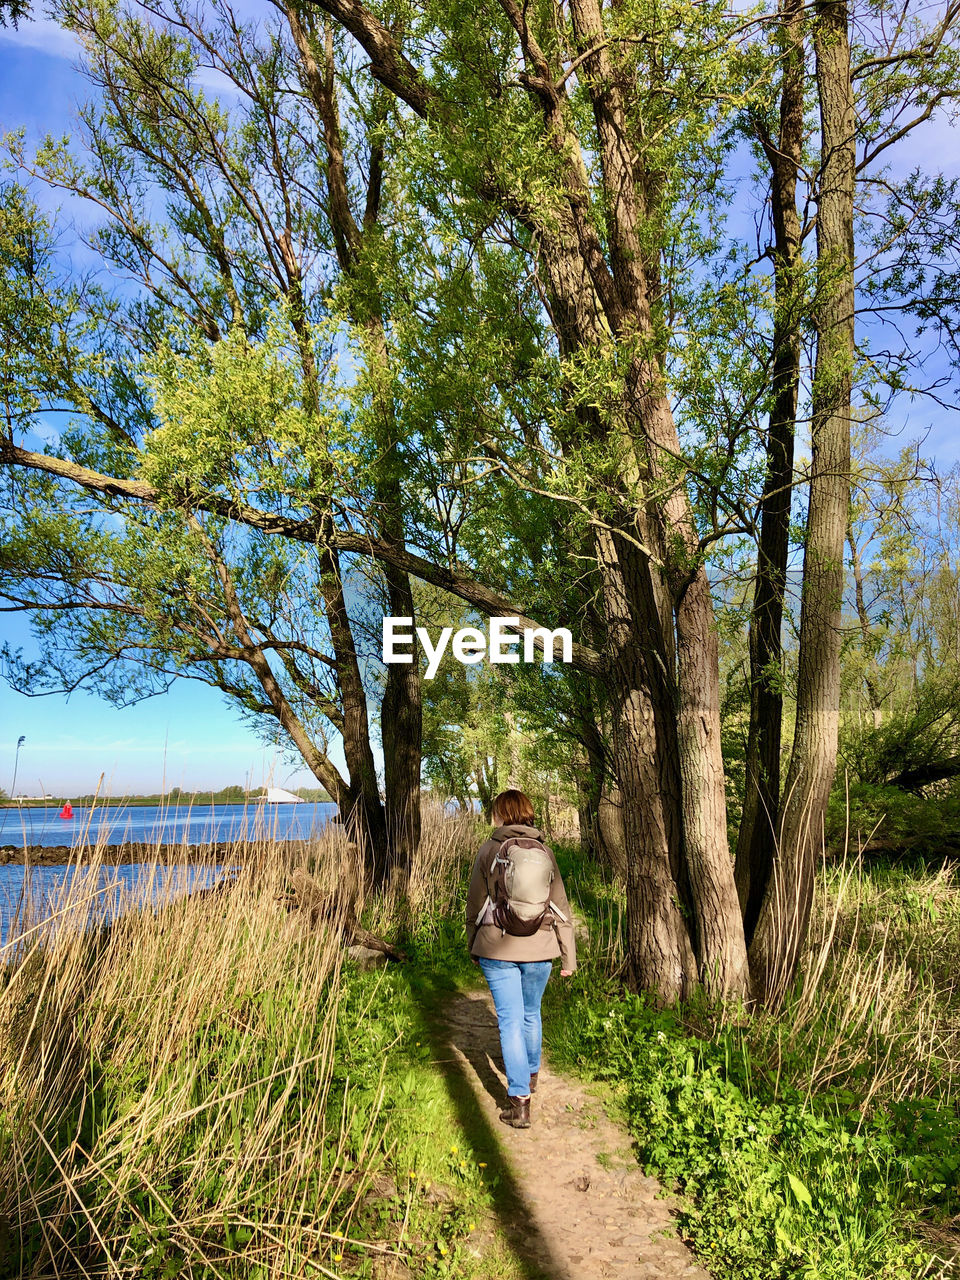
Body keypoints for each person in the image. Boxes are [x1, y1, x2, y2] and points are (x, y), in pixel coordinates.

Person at [465, 789, 576, 1129]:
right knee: (531, 1015)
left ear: (500, 815)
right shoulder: (546, 851)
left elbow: (475, 903)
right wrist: (568, 957)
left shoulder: (489, 850)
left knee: (510, 1021)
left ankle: (519, 1103)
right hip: (541, 948)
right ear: (527, 814)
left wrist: (473, 943)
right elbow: (561, 907)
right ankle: (530, 1077)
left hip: (497, 948)